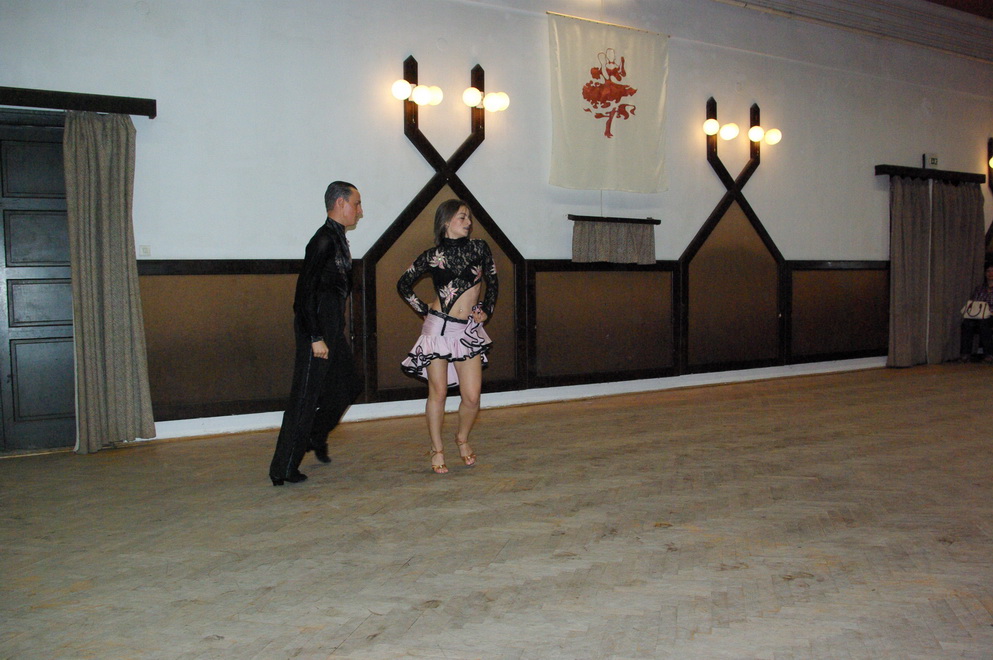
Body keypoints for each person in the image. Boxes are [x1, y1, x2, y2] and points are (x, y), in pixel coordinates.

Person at [269, 181, 364, 486]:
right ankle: (283, 468)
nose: (360, 211)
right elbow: (303, 294)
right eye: (356, 204)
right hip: (318, 333)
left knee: (350, 384)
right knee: (304, 399)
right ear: (340, 203)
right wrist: (314, 337)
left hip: (332, 331)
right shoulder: (322, 240)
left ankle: (315, 433)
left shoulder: (338, 238)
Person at [397, 199, 498, 474]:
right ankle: (437, 448)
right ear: (446, 222)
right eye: (462, 217)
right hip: (438, 329)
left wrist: (486, 310)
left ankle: (461, 439)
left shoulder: (480, 247)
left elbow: (492, 282)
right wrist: (423, 309)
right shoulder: (433, 256)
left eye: (469, 218)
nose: (468, 222)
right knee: (438, 392)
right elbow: (403, 284)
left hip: (466, 331)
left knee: (472, 397)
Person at [959, 262, 993, 363]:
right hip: (979, 314)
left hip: (991, 316)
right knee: (967, 323)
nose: (990, 274)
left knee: (984, 324)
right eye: (988, 271)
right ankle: (965, 353)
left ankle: (988, 354)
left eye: (992, 271)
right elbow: (974, 302)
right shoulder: (980, 288)